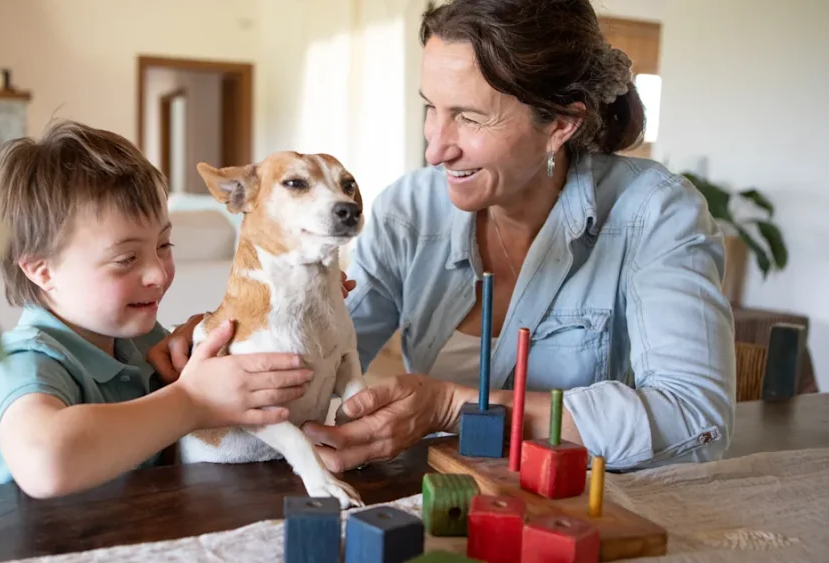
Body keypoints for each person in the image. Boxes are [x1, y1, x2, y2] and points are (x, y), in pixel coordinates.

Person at [150, 0, 736, 476]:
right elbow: (327, 338)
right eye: (432, 108)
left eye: (470, 117)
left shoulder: (656, 213)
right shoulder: (410, 210)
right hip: (444, 497)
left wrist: (457, 407)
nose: (435, 148)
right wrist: (227, 339)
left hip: (597, 510)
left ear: (560, 124)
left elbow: (696, 420)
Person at [0, 120, 314, 497]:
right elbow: (47, 463)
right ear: (43, 271)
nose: (158, 273)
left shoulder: (144, 340)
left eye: (164, 245)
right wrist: (192, 401)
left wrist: (208, 342)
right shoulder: (26, 361)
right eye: (126, 258)